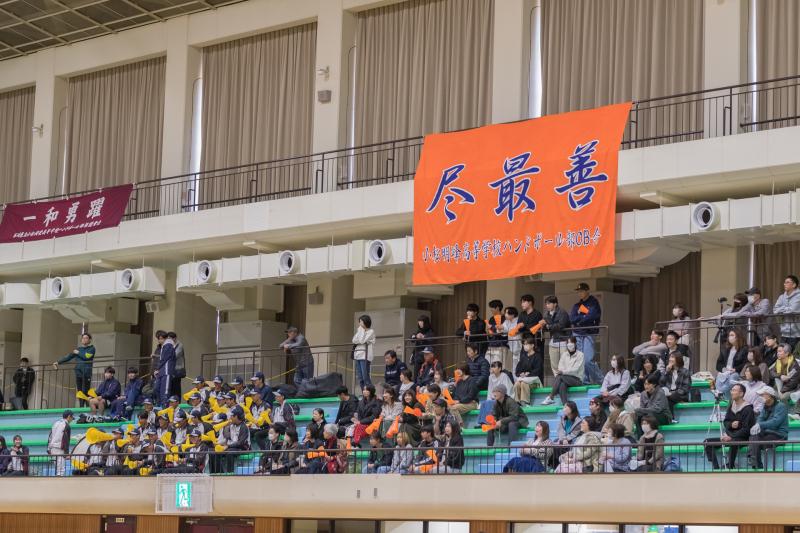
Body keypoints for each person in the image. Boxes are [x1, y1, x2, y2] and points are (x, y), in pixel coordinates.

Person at [703, 383, 755, 469]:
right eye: (731, 390)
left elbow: (747, 429)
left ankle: (730, 465)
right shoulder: (731, 406)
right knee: (707, 442)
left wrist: (731, 436)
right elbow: (726, 422)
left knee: (733, 442)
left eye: (734, 390)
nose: (731, 392)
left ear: (741, 393)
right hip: (730, 436)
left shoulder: (748, 409)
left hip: (743, 437)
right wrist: (731, 425)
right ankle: (716, 468)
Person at [569, 283, 603, 384]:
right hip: (577, 333)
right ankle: (585, 381)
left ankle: (601, 380)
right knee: (580, 359)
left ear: (587, 291)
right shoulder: (577, 305)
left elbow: (592, 316)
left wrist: (579, 319)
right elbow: (572, 318)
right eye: (578, 291)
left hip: (589, 333)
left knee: (588, 359)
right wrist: (583, 317)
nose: (580, 293)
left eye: (582, 291)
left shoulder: (593, 303)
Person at [748, 386, 788, 470]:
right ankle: (756, 463)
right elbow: (760, 419)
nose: (760, 397)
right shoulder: (764, 407)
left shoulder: (781, 406)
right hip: (767, 433)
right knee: (753, 435)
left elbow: (775, 422)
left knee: (756, 442)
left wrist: (760, 425)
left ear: (770, 395)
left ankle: (755, 462)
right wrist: (757, 425)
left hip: (779, 435)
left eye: (762, 395)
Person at [54, 333, 96, 406]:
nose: (84, 339)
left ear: (89, 340)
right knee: (80, 391)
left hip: (86, 373)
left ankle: (87, 407)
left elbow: (86, 357)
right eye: (83, 338)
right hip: (78, 373)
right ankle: (81, 407)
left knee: (86, 391)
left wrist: (78, 352)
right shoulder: (78, 349)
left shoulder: (91, 348)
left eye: (86, 338)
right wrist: (58, 362)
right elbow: (69, 357)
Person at [541, 336, 583, 405]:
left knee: (560, 377)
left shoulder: (580, 355)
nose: (569, 344)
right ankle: (565, 404)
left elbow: (575, 370)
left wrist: (564, 372)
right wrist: (563, 372)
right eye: (568, 343)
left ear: (575, 343)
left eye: (571, 343)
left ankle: (551, 397)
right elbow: (560, 367)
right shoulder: (564, 354)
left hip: (577, 379)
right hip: (565, 378)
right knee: (562, 385)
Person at [540, 295, 571, 377]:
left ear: (555, 304)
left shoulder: (562, 312)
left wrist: (548, 326)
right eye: (546, 304)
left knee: (564, 363)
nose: (547, 305)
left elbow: (561, 325)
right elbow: (546, 328)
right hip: (553, 341)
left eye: (549, 303)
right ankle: (557, 380)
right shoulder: (546, 314)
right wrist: (542, 326)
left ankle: (565, 380)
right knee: (554, 365)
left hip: (563, 340)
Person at [478, 360, 515, 425]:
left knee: (490, 403)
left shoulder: (504, 376)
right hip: (495, 398)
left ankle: (489, 422)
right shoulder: (490, 377)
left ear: (500, 368)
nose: (492, 369)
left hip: (504, 398)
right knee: (484, 403)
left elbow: (507, 391)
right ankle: (482, 422)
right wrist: (489, 399)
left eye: (494, 367)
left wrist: (499, 398)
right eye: (492, 367)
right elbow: (490, 390)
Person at [715, 328, 749, 396]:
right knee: (719, 377)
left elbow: (745, 363)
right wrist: (724, 369)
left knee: (732, 378)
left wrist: (735, 369)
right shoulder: (725, 349)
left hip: (737, 372)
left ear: (738, 336)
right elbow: (718, 364)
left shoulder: (744, 349)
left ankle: (720, 392)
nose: (730, 337)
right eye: (729, 335)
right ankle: (721, 393)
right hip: (725, 372)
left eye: (732, 335)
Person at [513, 334, 544, 405]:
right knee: (517, 384)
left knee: (524, 384)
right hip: (523, 379)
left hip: (534, 382)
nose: (525, 346)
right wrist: (521, 374)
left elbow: (538, 370)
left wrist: (529, 374)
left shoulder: (537, 357)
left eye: (526, 344)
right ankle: (517, 402)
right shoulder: (523, 357)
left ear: (532, 345)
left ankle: (525, 402)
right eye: (524, 344)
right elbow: (517, 371)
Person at [773, 275, 800, 350]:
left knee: (792, 355)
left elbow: (792, 310)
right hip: (784, 332)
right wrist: (785, 309)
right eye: (784, 282)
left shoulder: (799, 296)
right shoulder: (781, 297)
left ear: (794, 285)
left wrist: (781, 309)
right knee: (782, 353)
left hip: (796, 333)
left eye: (787, 282)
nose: (784, 284)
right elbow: (775, 310)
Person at [352, 314, 376, 389]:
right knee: (360, 378)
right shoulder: (360, 331)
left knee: (365, 377)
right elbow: (354, 340)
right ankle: (364, 393)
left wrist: (361, 330)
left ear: (365, 321)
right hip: (358, 355)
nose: (359, 323)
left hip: (365, 356)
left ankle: (370, 393)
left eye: (361, 321)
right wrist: (361, 332)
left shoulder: (371, 331)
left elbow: (362, 340)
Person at [48, 409, 74, 477]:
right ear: (69, 416)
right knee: (61, 470)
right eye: (72, 418)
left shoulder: (55, 423)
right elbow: (66, 440)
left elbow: (50, 436)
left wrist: (49, 448)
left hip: (53, 448)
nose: (72, 420)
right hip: (60, 448)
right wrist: (67, 453)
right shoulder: (67, 426)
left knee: (57, 468)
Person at [153, 330, 176, 406]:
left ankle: (164, 405)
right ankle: (159, 404)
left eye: (161, 338)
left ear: (165, 338)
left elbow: (164, 359)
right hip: (161, 371)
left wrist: (157, 368)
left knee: (165, 390)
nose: (159, 341)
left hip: (166, 371)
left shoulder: (168, 345)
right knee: (157, 388)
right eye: (159, 339)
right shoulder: (164, 346)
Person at [166, 331, 185, 397]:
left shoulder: (179, 345)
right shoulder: (169, 345)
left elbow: (175, 355)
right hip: (170, 369)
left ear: (174, 338)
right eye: (168, 338)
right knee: (170, 387)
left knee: (176, 387)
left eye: (170, 338)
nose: (169, 340)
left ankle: (177, 400)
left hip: (177, 369)